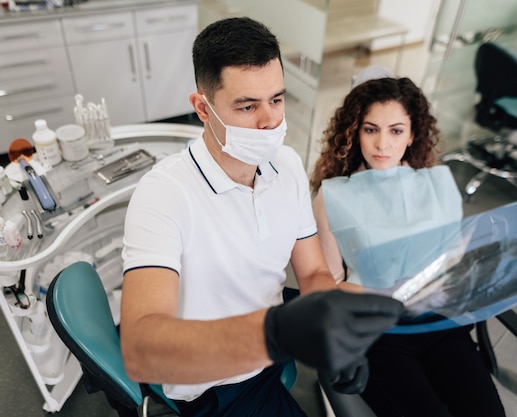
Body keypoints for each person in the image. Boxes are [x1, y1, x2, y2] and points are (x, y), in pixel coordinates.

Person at [120, 17, 404, 417]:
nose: (270, 120)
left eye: (276, 99)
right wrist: (273, 334)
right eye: (247, 105)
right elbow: (141, 350)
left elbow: (313, 274)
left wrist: (338, 344)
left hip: (273, 347)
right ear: (203, 108)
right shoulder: (164, 195)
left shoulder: (285, 165)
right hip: (217, 383)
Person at [310, 74, 506, 417]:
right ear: (355, 132)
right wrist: (385, 291)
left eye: (396, 130)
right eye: (371, 129)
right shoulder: (332, 196)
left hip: (438, 325)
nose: (382, 144)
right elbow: (326, 285)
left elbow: (454, 264)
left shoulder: (438, 185)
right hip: (378, 333)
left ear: (413, 134)